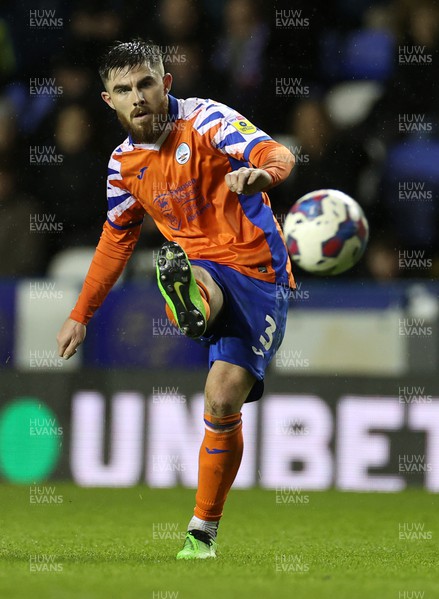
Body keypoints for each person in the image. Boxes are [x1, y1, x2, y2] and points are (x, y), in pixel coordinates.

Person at [56, 39, 295, 560]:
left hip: (258, 272)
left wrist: (262, 173)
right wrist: (81, 314)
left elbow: (278, 152)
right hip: (203, 267)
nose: (137, 97)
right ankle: (188, 293)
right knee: (186, 269)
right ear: (109, 101)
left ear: (166, 84)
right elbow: (116, 239)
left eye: (145, 83)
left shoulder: (208, 121)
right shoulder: (123, 166)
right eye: (124, 89)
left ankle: (204, 530)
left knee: (221, 399)